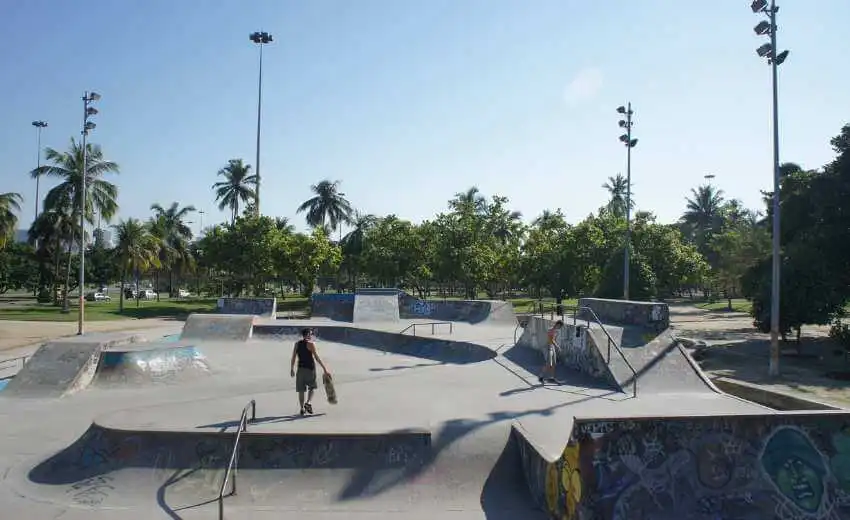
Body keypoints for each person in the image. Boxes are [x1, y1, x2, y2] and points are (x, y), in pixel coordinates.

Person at [290, 328, 330, 415]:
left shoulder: (297, 344)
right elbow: (316, 357)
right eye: (311, 334)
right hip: (310, 369)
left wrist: (292, 369)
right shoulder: (311, 344)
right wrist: (324, 368)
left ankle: (301, 409)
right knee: (312, 387)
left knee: (301, 390)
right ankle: (308, 403)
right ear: (307, 335)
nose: (311, 335)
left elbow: (293, 357)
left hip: (300, 370)